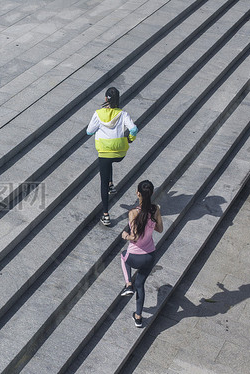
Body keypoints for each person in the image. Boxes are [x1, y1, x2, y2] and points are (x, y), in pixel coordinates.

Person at [86, 87, 138, 226]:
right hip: (120, 153)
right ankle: (111, 184)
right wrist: (130, 139)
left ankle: (106, 215)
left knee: (103, 177)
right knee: (110, 162)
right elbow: (133, 129)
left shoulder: (98, 114)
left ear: (105, 99)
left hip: (104, 152)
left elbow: (89, 132)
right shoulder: (123, 114)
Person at [120, 180, 164, 327]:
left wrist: (125, 236)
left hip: (135, 256)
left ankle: (128, 285)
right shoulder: (155, 209)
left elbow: (135, 237)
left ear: (138, 193)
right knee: (141, 284)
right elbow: (160, 229)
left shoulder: (133, 213)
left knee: (123, 256)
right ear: (151, 193)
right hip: (150, 256)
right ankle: (138, 317)